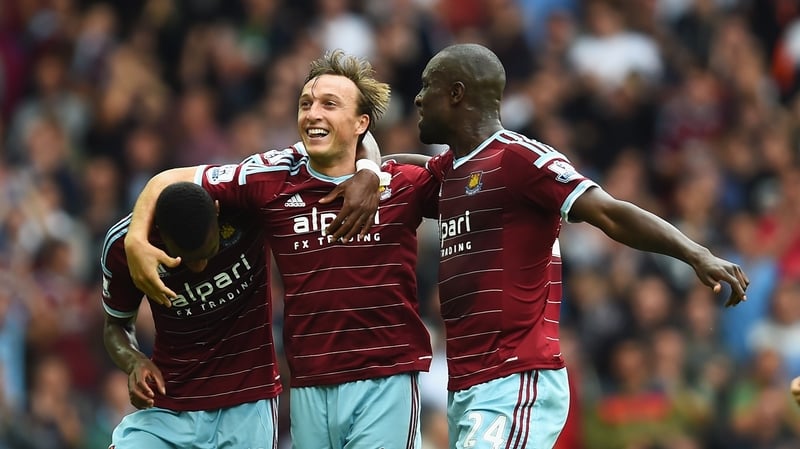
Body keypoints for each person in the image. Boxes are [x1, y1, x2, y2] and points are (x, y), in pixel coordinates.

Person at [410, 43, 750, 449]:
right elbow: (396, 172)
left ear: (456, 93)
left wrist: (696, 252)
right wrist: (362, 166)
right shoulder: (450, 172)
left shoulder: (520, 160)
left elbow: (609, 212)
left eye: (427, 86)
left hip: (515, 377)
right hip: (467, 385)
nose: (418, 98)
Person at [125, 50, 440, 449]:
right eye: (306, 104)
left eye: (329, 104)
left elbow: (464, 178)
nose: (312, 114)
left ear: (361, 123)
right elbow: (170, 181)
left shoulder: (398, 185)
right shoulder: (272, 176)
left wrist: (371, 170)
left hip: (386, 378)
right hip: (308, 384)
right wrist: (136, 238)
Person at [102, 181, 281, 449]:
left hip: (247, 400)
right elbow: (115, 326)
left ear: (217, 211)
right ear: (160, 233)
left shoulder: (245, 204)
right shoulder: (125, 247)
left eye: (208, 252)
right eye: (184, 257)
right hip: (170, 405)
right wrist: (134, 362)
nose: (199, 266)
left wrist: (356, 175)